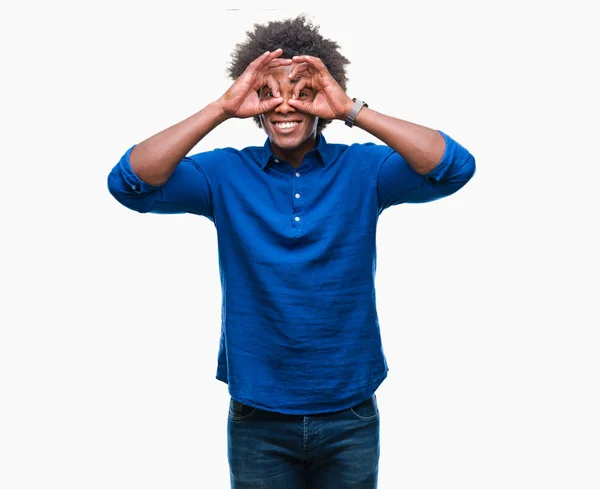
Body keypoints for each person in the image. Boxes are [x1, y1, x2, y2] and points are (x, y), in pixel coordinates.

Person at [107, 14, 475, 489]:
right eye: (270, 92)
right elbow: (129, 184)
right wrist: (221, 108)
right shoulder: (223, 175)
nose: (286, 104)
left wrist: (352, 110)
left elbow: (454, 167)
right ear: (253, 104)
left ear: (324, 99)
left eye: (303, 91)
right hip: (259, 415)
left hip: (350, 411)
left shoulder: (364, 168)